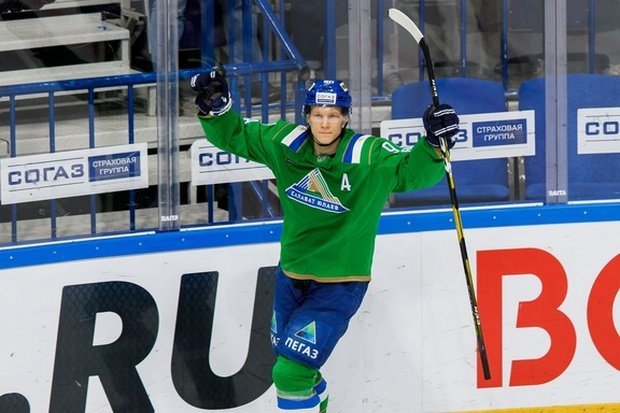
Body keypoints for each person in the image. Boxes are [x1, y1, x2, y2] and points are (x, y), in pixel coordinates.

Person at [190, 71, 459, 412]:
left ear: (346, 118)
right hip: (291, 275)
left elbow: (410, 172)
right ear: (307, 116)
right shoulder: (285, 144)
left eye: (333, 115)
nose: (325, 123)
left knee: (289, 373)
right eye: (318, 114)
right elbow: (237, 136)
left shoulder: (368, 155)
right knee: (291, 363)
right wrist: (218, 110)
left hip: (339, 284)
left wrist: (433, 145)